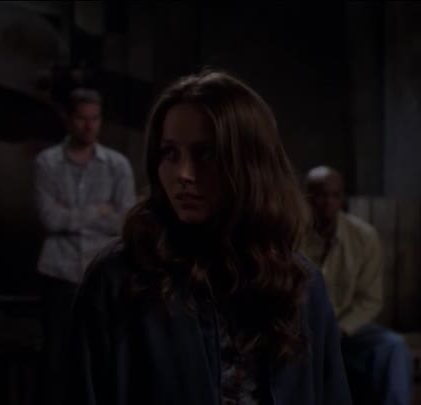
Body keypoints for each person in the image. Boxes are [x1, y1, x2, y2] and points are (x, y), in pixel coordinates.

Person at [67, 71, 352, 405]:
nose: (183, 174)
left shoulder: (299, 283)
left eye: (205, 154)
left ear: (250, 164)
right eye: (170, 154)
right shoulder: (120, 278)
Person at [33, 88, 136, 404]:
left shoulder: (117, 165)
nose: (89, 126)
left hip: (102, 273)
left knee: (105, 356)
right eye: (82, 118)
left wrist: (72, 213)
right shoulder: (47, 162)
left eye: (95, 118)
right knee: (56, 358)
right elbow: (49, 219)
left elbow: (124, 222)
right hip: (59, 273)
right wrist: (98, 210)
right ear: (68, 119)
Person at [302, 166, 413, 405]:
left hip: (346, 331)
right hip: (303, 334)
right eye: (321, 195)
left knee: (393, 347)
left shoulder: (364, 236)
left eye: (335, 195)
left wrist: (341, 329)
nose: (328, 202)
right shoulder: (292, 234)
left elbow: (369, 299)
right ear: (307, 197)